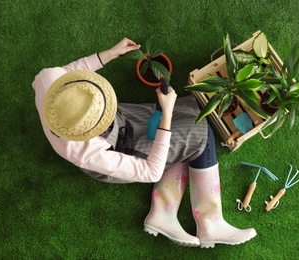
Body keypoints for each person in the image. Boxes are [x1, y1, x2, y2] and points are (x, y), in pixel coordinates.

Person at [32, 38, 257, 248]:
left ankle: (163, 212)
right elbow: (151, 171)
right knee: (200, 134)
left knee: (191, 111)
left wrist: (110, 53)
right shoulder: (86, 152)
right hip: (119, 148)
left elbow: (73, 72)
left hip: (122, 120)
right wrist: (166, 113)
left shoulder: (50, 80)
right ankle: (210, 223)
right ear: (91, 130)